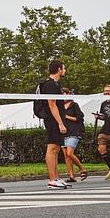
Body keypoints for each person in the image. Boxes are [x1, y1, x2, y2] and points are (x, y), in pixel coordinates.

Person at [38, 60, 69, 189]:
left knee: (56, 148)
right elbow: (52, 104)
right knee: (52, 148)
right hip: (52, 120)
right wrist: (60, 123)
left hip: (55, 119)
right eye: (64, 68)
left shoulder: (55, 84)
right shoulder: (50, 84)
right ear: (59, 69)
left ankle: (56, 178)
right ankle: (52, 180)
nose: (65, 70)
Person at [61, 89, 87, 182]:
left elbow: (79, 118)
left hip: (74, 131)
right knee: (66, 156)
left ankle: (83, 169)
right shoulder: (59, 106)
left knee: (70, 153)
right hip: (63, 132)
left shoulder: (74, 105)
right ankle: (71, 176)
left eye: (64, 94)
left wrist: (67, 117)